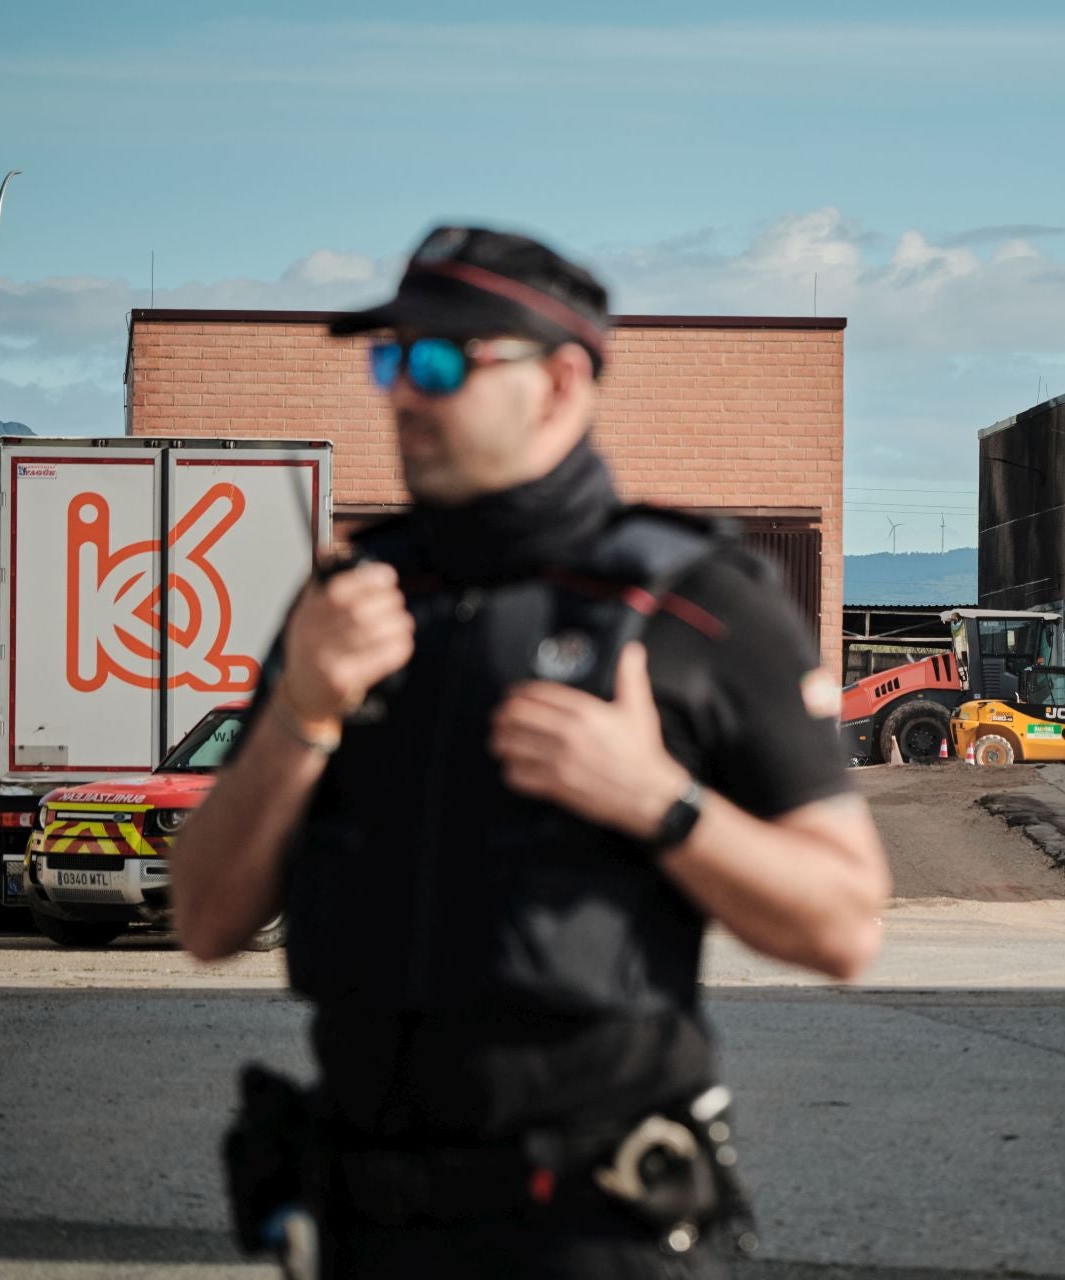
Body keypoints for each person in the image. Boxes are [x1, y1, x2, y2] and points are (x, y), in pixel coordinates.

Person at [169, 225, 890, 1278]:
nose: (403, 393)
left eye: (440, 360)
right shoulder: (349, 603)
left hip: (590, 1233)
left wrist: (658, 798)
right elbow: (205, 918)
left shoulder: (693, 601)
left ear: (559, 382)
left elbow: (846, 923)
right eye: (390, 359)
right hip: (363, 1232)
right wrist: (300, 714)